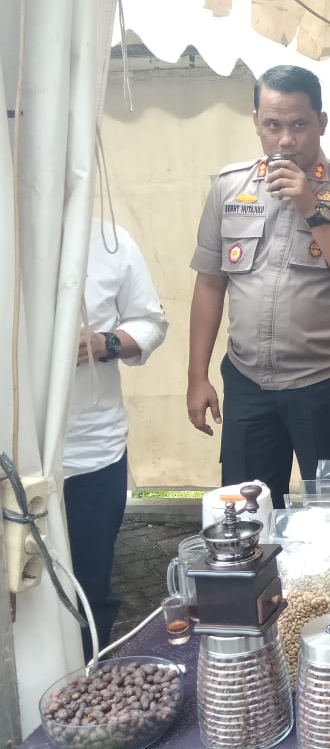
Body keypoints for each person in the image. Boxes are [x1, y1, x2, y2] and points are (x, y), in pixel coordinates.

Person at [187, 65, 330, 508]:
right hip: (247, 383)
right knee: (245, 518)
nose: (286, 139)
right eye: (273, 125)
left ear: (321, 123)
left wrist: (311, 207)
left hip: (326, 384)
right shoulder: (228, 187)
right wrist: (196, 376)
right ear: (256, 120)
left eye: (299, 125)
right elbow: (209, 285)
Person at [64, 217, 169, 660]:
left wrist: (105, 343)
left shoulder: (107, 241)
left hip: (91, 450)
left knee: (89, 584)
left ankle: (90, 682)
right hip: (12, 457)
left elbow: (150, 323)